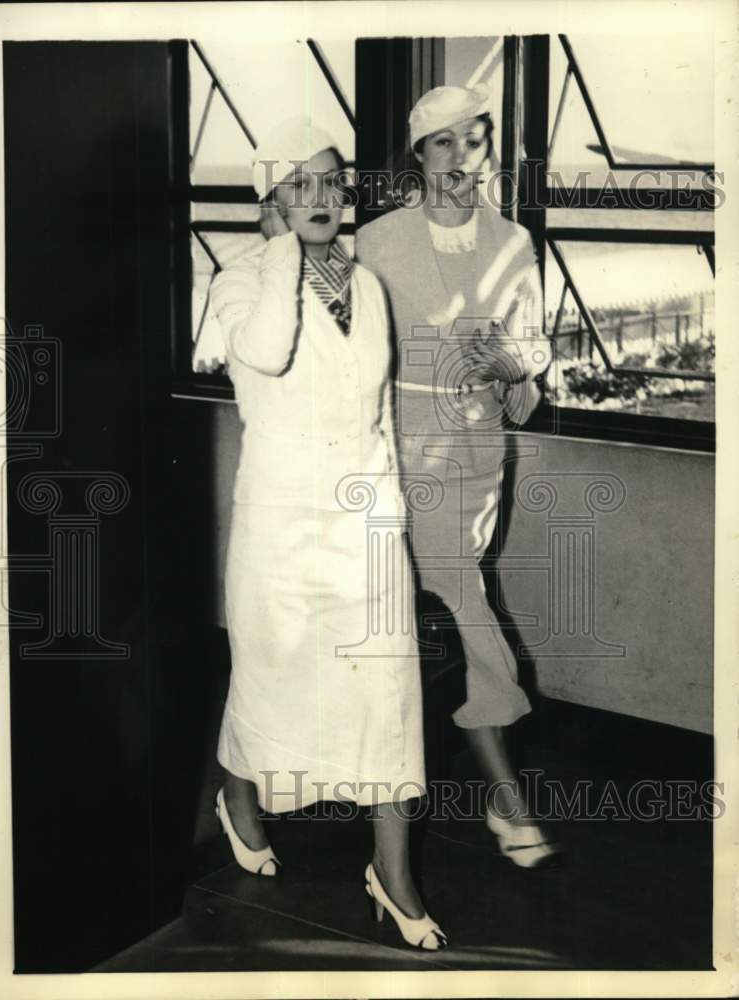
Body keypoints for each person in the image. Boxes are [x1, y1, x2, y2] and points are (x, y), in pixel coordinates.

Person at [209, 117, 446, 949]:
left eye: (331, 181)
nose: (321, 199)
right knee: (273, 684)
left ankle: (393, 874)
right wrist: (280, 252)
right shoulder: (240, 282)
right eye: (299, 184)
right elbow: (268, 353)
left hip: (365, 520)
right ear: (268, 199)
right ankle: (239, 792)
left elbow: (377, 411)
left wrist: (393, 525)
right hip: (278, 526)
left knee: (389, 697)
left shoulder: (367, 285)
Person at [356, 84, 561, 868]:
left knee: (448, 591)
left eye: (469, 142)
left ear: (487, 150)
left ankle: (461, 786)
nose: (456, 159)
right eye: (439, 144)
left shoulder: (513, 244)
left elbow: (532, 354)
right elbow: (348, 348)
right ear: (417, 157)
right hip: (390, 446)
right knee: (440, 597)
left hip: (474, 451)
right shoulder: (375, 242)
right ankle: (499, 790)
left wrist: (511, 363)